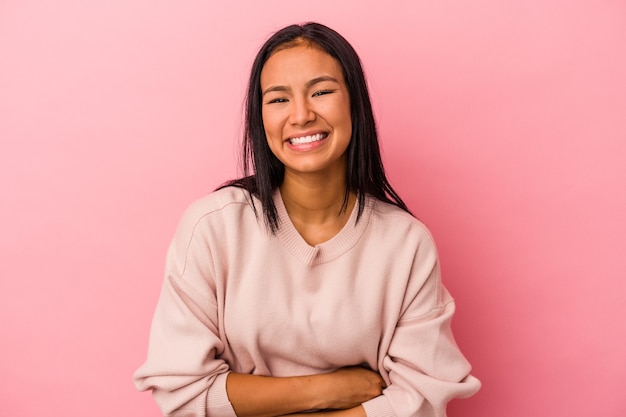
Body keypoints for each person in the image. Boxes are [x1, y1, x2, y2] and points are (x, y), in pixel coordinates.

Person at [134, 22, 480, 417]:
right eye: (278, 100)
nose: (301, 115)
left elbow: (423, 398)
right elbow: (182, 391)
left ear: (355, 103)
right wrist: (328, 390)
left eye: (321, 92)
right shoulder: (213, 228)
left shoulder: (405, 243)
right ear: (259, 118)